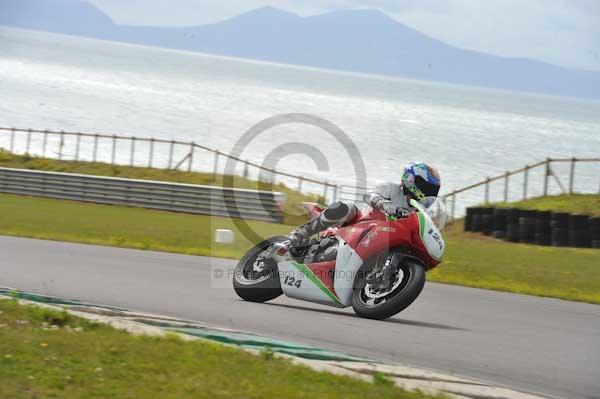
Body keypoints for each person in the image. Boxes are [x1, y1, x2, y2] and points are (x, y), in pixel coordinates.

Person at [289, 162, 441, 248]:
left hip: (385, 238)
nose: (429, 194)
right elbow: (369, 195)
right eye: (428, 189)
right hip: (361, 224)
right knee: (347, 207)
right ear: (414, 182)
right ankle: (302, 233)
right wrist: (383, 203)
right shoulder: (392, 189)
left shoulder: (418, 212)